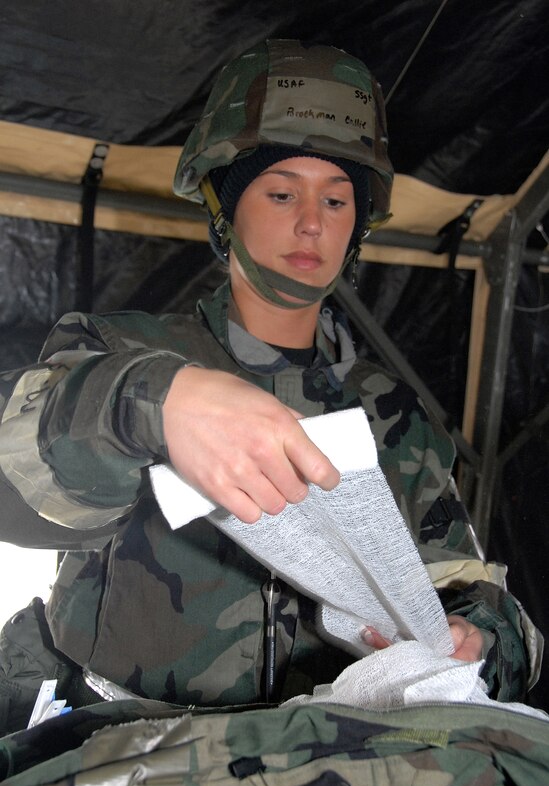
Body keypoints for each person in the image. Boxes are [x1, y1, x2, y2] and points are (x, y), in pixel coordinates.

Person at [0, 39, 541, 735]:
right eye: (281, 192)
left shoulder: (392, 412)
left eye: (338, 198)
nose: (311, 222)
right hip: (124, 753)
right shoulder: (119, 351)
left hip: (318, 767)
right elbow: (17, 497)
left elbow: (470, 590)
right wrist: (147, 403)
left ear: (359, 223)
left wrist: (476, 643)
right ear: (223, 203)